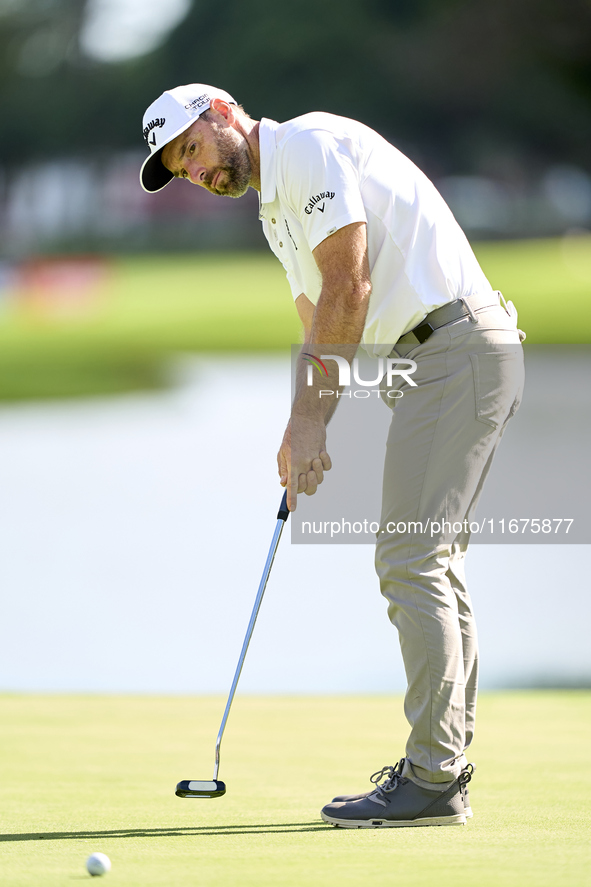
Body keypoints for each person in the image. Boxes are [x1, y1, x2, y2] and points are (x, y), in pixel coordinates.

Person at [140, 83, 525, 828]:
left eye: (190, 150)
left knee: (409, 559)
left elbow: (350, 284)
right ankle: (443, 767)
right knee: (432, 561)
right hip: (425, 366)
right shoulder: (272, 208)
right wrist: (302, 426)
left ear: (222, 114)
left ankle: (435, 775)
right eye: (182, 171)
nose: (197, 173)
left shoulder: (309, 147)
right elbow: (316, 317)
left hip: (455, 349)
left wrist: (314, 423)